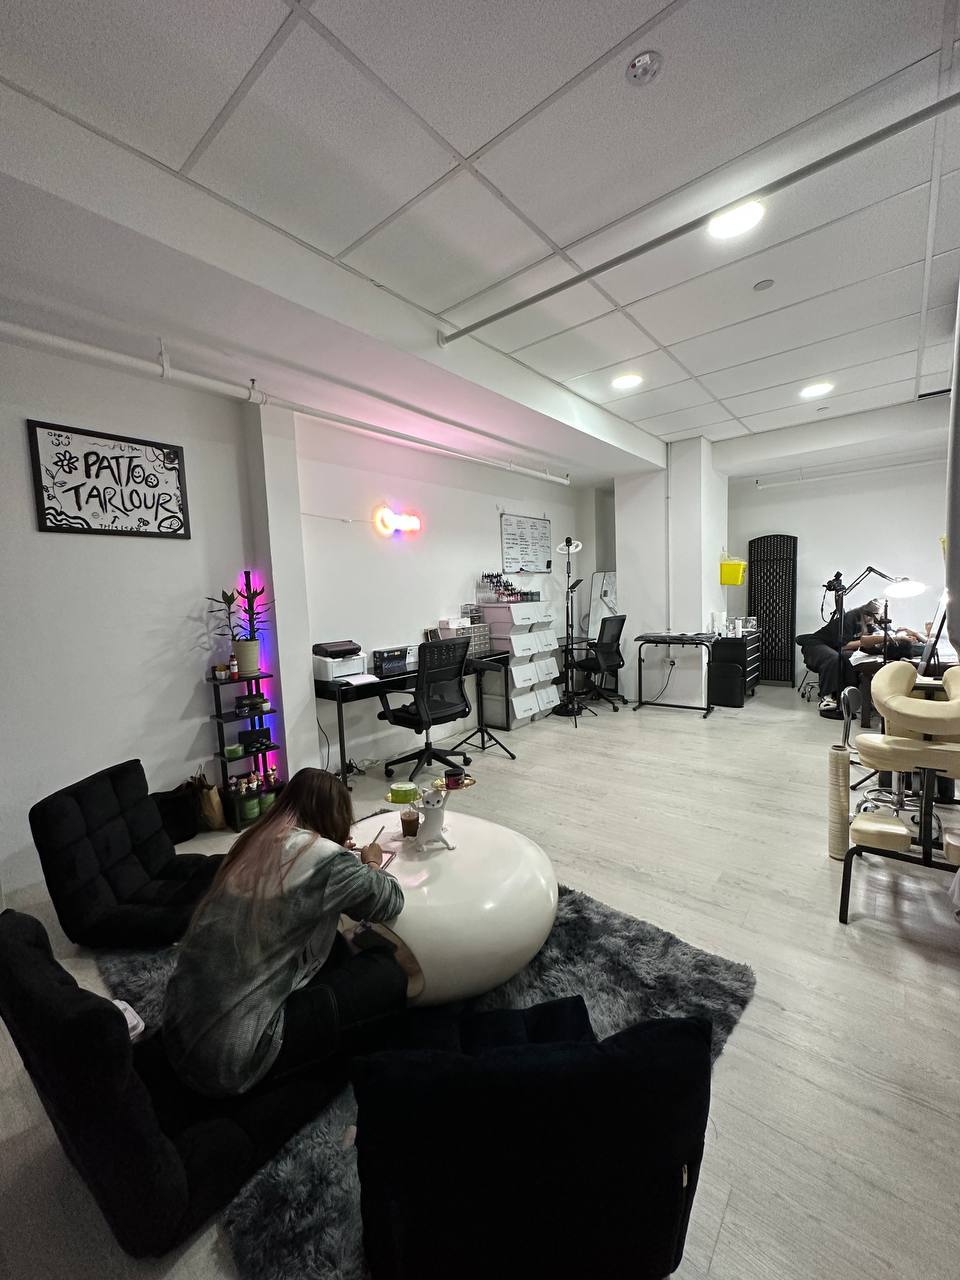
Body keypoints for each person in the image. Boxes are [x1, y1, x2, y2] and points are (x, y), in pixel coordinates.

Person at [162, 768, 410, 1097]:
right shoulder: (327, 860)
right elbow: (390, 900)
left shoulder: (250, 843)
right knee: (387, 973)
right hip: (231, 1059)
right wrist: (371, 863)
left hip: (176, 1031)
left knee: (337, 944)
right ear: (335, 815)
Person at [800, 599, 915, 717]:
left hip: (835, 648)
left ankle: (852, 699)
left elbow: (887, 634)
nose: (881, 619)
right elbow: (844, 646)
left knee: (848, 658)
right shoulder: (850, 619)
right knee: (834, 659)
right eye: (880, 615)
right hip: (816, 644)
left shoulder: (872, 624)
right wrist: (872, 640)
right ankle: (829, 699)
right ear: (871, 614)